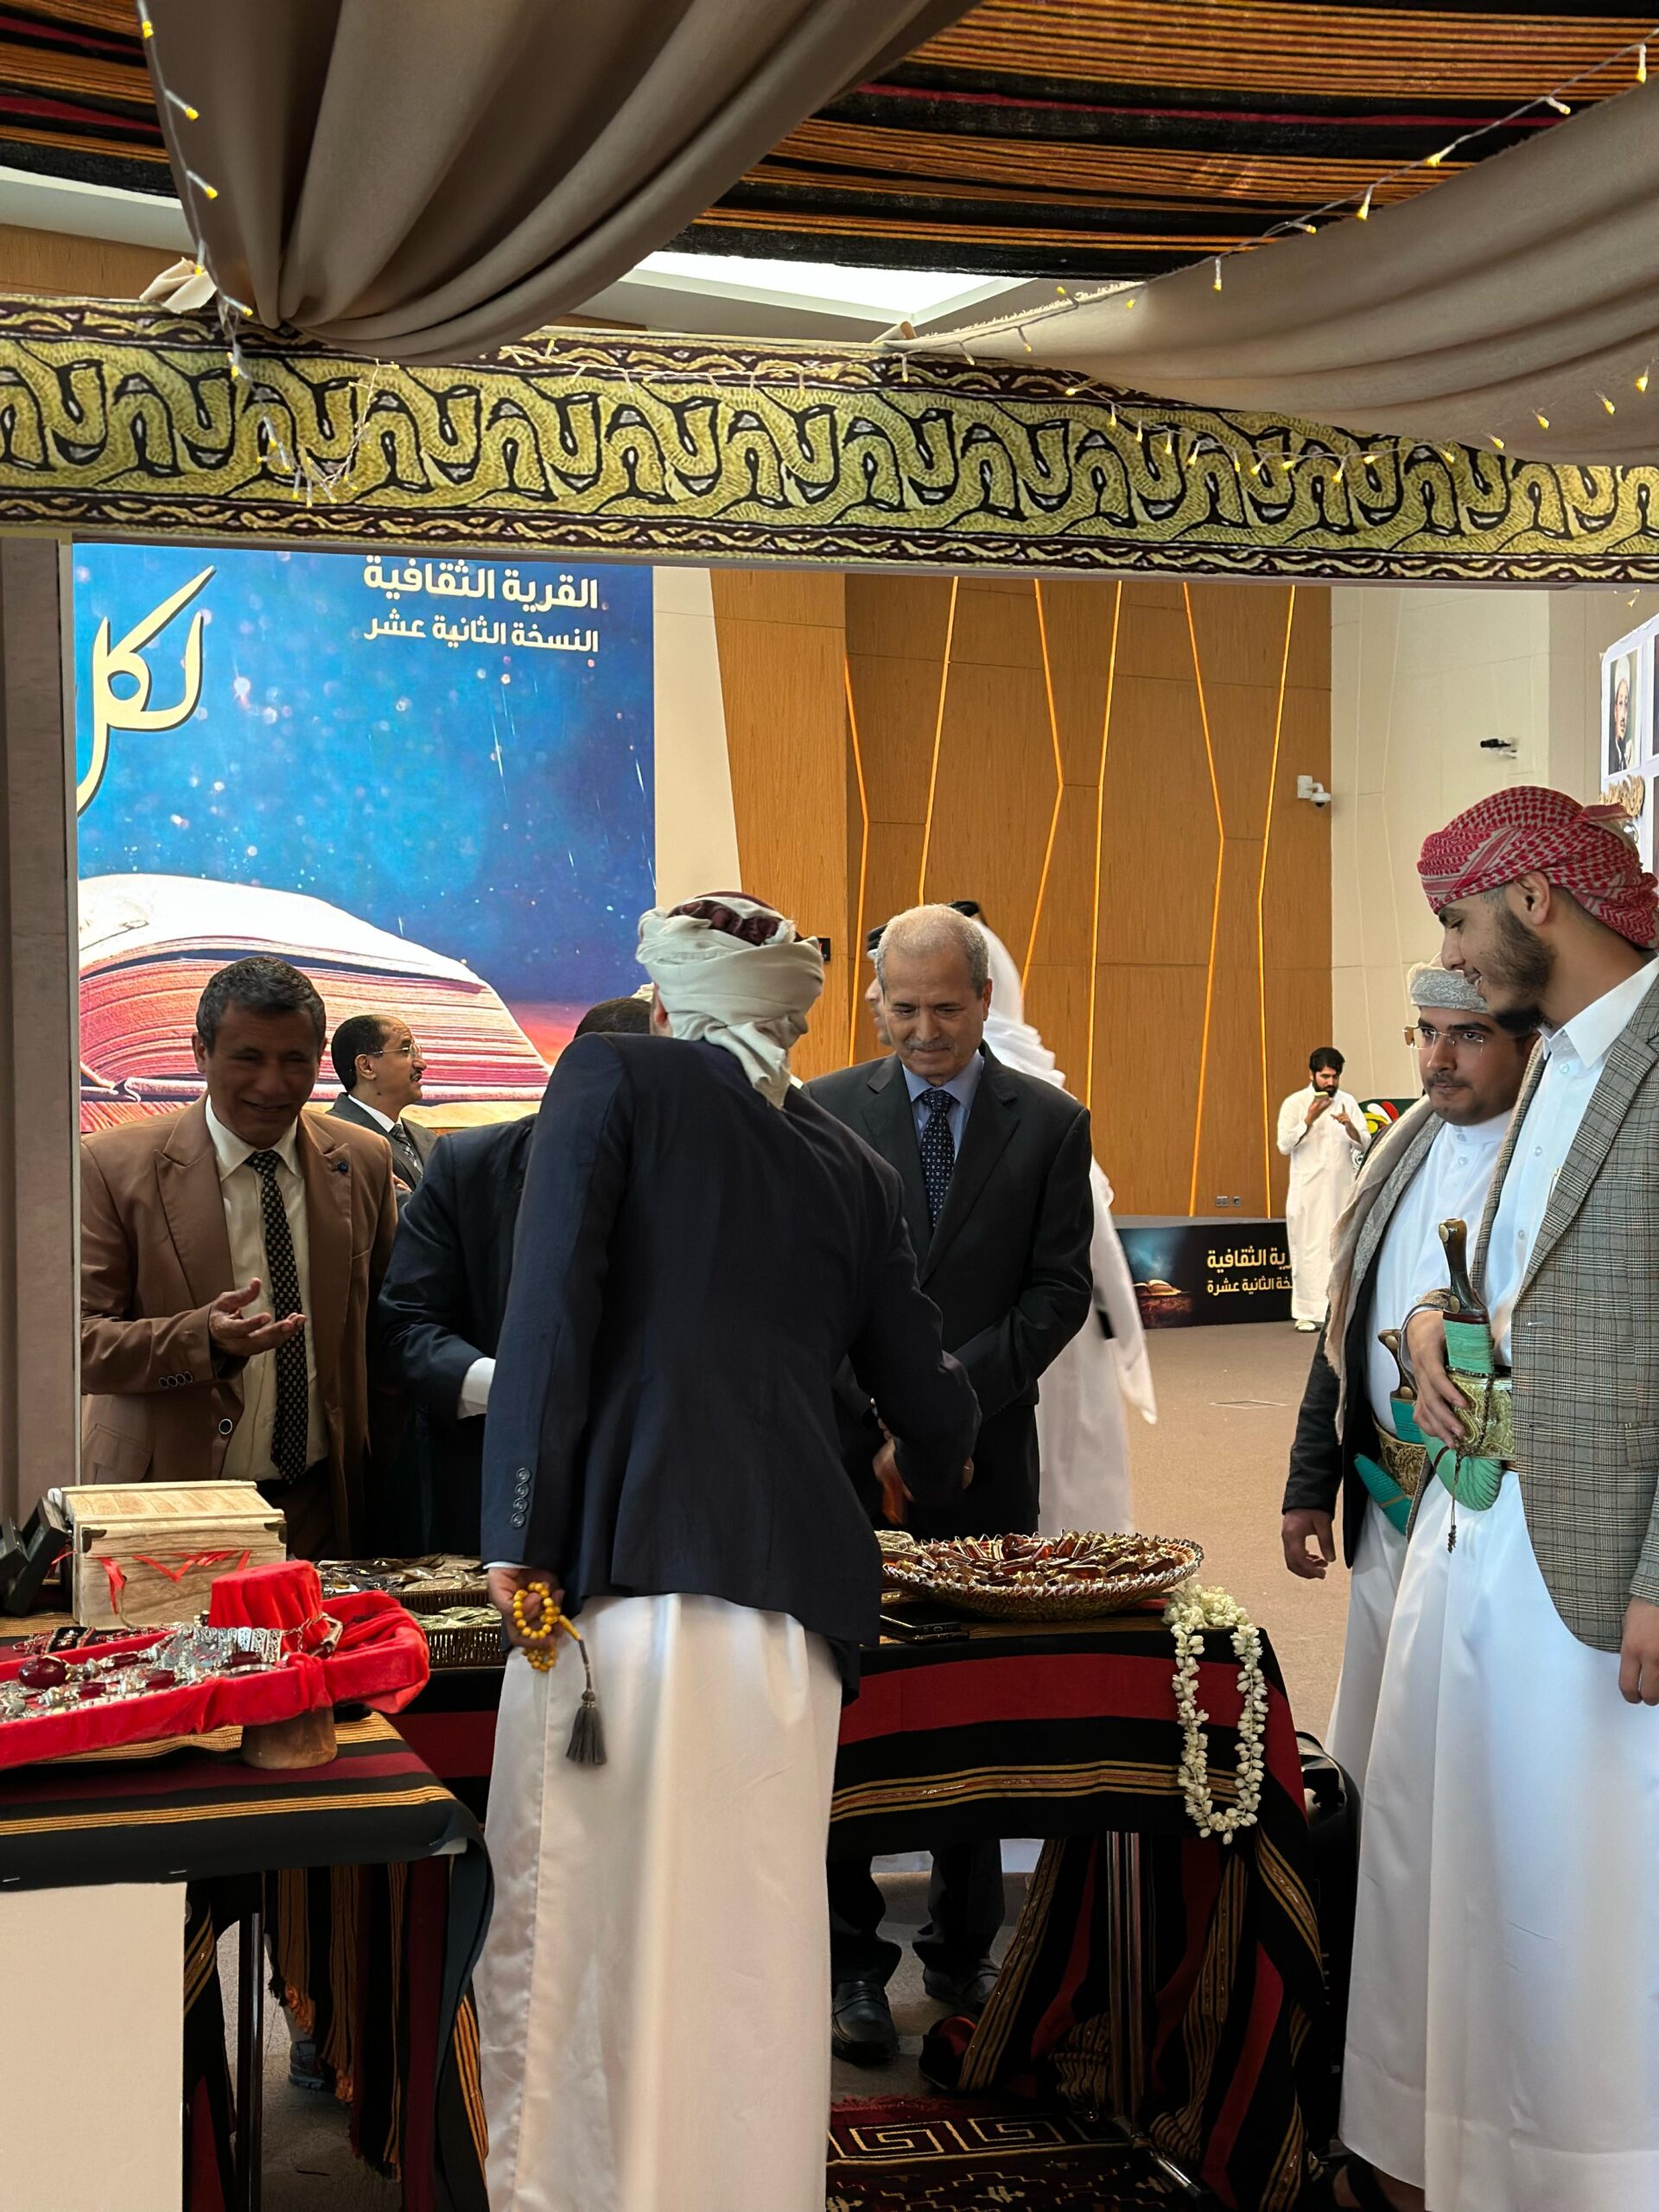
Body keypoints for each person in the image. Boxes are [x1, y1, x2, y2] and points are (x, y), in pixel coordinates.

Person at [476, 893, 977, 2212]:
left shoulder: (612, 1076)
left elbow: (550, 1313)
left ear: (664, 1000)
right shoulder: (854, 1168)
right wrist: (921, 1469)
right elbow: (932, 1399)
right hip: (791, 1621)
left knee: (592, 1936)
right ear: (790, 1014)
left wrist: (515, 1533)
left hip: (618, 1595)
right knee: (752, 1945)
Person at [1329, 787, 1659, 2212]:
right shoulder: (1563, 1064)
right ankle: (1455, 2163)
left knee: (1575, 1910)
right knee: (1456, 1880)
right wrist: (1424, 1325)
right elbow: (1511, 1284)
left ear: (1536, 901)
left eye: (1461, 923)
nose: (1455, 961)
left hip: (1594, 1577)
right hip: (1473, 1542)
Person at [807, 901, 1093, 2060]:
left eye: (944, 1009)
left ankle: (965, 1948)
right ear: (876, 1003)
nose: (923, 1031)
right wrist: (884, 1412)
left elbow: (1057, 1293)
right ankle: (852, 1962)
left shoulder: (1051, 1124)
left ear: (984, 1000)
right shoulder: (824, 1109)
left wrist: (943, 1406)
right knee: (852, 1701)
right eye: (902, 1008)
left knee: (980, 1699)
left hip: (985, 1461)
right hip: (845, 1459)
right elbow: (805, 1291)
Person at [1281, 963, 1532, 1791]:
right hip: (1387, 1493)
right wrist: (1309, 1484)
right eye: (1426, 1033)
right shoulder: (1400, 1152)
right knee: (1378, 1736)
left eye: (1468, 1035)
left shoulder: (1542, 1166)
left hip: (1487, 1516)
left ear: (1527, 1041)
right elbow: (1344, 1334)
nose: (1437, 1058)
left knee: (1464, 1757)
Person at [79, 956, 398, 1558]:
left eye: (294, 1060)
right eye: (248, 1058)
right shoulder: (110, 1166)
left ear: (319, 1057)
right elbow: (79, 1346)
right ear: (201, 1052)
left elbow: (389, 1329)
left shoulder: (363, 1159)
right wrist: (203, 1341)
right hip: (165, 1508)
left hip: (321, 1510)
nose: (273, 1085)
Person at [376, 995, 652, 1553]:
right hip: (496, 1499)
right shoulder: (470, 1168)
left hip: (648, 1506)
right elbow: (403, 1329)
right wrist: (515, 1390)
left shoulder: (704, 1181)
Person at [972, 912, 1154, 1536]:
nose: (871, 997)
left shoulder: (1029, 1094)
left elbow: (1089, 1234)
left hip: (1045, 1330)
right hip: (989, 1337)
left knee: (1057, 1479)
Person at [1277, 1046, 1370, 1330]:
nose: (1330, 1082)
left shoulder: (1347, 1102)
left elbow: (1365, 1143)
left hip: (1341, 1192)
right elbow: (1284, 1146)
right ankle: (1306, 1312)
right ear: (1312, 1074)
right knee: (1308, 1251)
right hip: (1308, 1194)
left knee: (1339, 1250)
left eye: (1335, 1077)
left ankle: (1336, 1312)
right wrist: (1308, 1120)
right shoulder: (1295, 1103)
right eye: (1325, 1076)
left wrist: (1350, 1126)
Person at [327, 1011, 433, 1200]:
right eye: (405, 1051)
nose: (421, 1064)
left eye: (416, 1052)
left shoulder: (428, 1138)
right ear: (366, 1066)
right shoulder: (331, 1139)